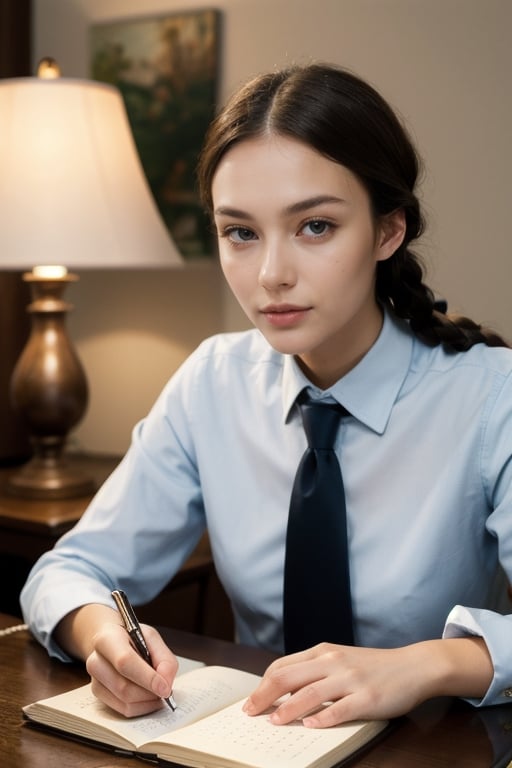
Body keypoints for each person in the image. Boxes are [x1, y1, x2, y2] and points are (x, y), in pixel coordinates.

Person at [21, 62, 512, 728]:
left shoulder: (491, 396)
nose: (271, 275)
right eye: (241, 233)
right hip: (260, 738)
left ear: (388, 231)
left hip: (436, 744)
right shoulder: (212, 383)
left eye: (315, 227)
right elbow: (70, 569)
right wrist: (102, 637)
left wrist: (427, 665)